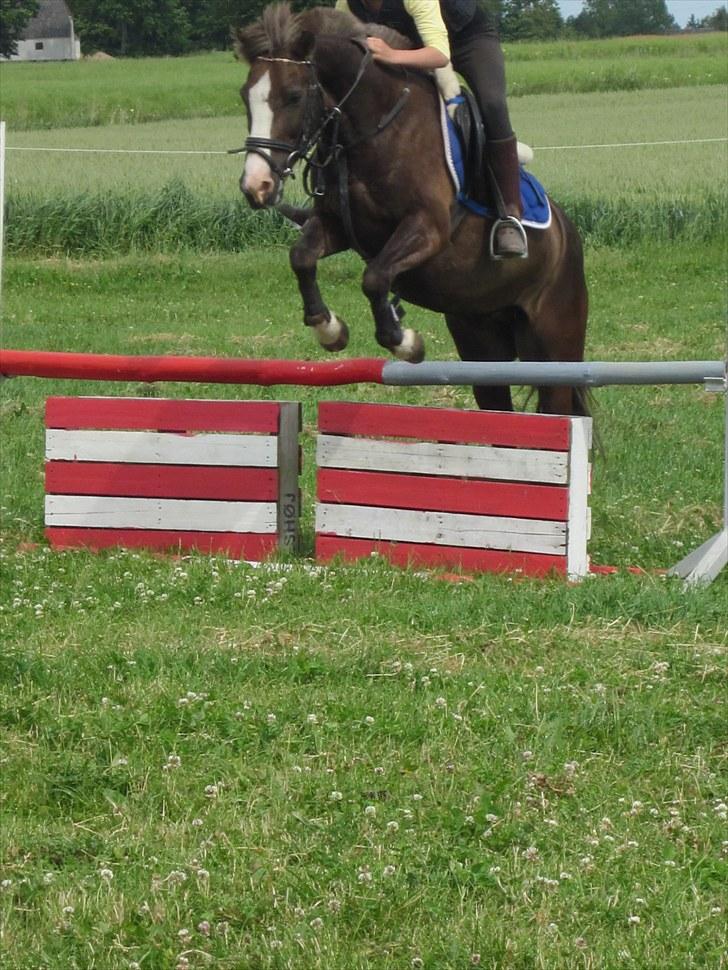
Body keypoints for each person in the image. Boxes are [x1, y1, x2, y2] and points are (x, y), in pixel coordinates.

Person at [335, 0, 527, 258]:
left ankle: (510, 214)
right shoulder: (347, 3)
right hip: (414, 45)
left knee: (492, 103)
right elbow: (336, 42)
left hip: (466, 40)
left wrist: (392, 55)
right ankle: (333, 204)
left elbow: (439, 54)